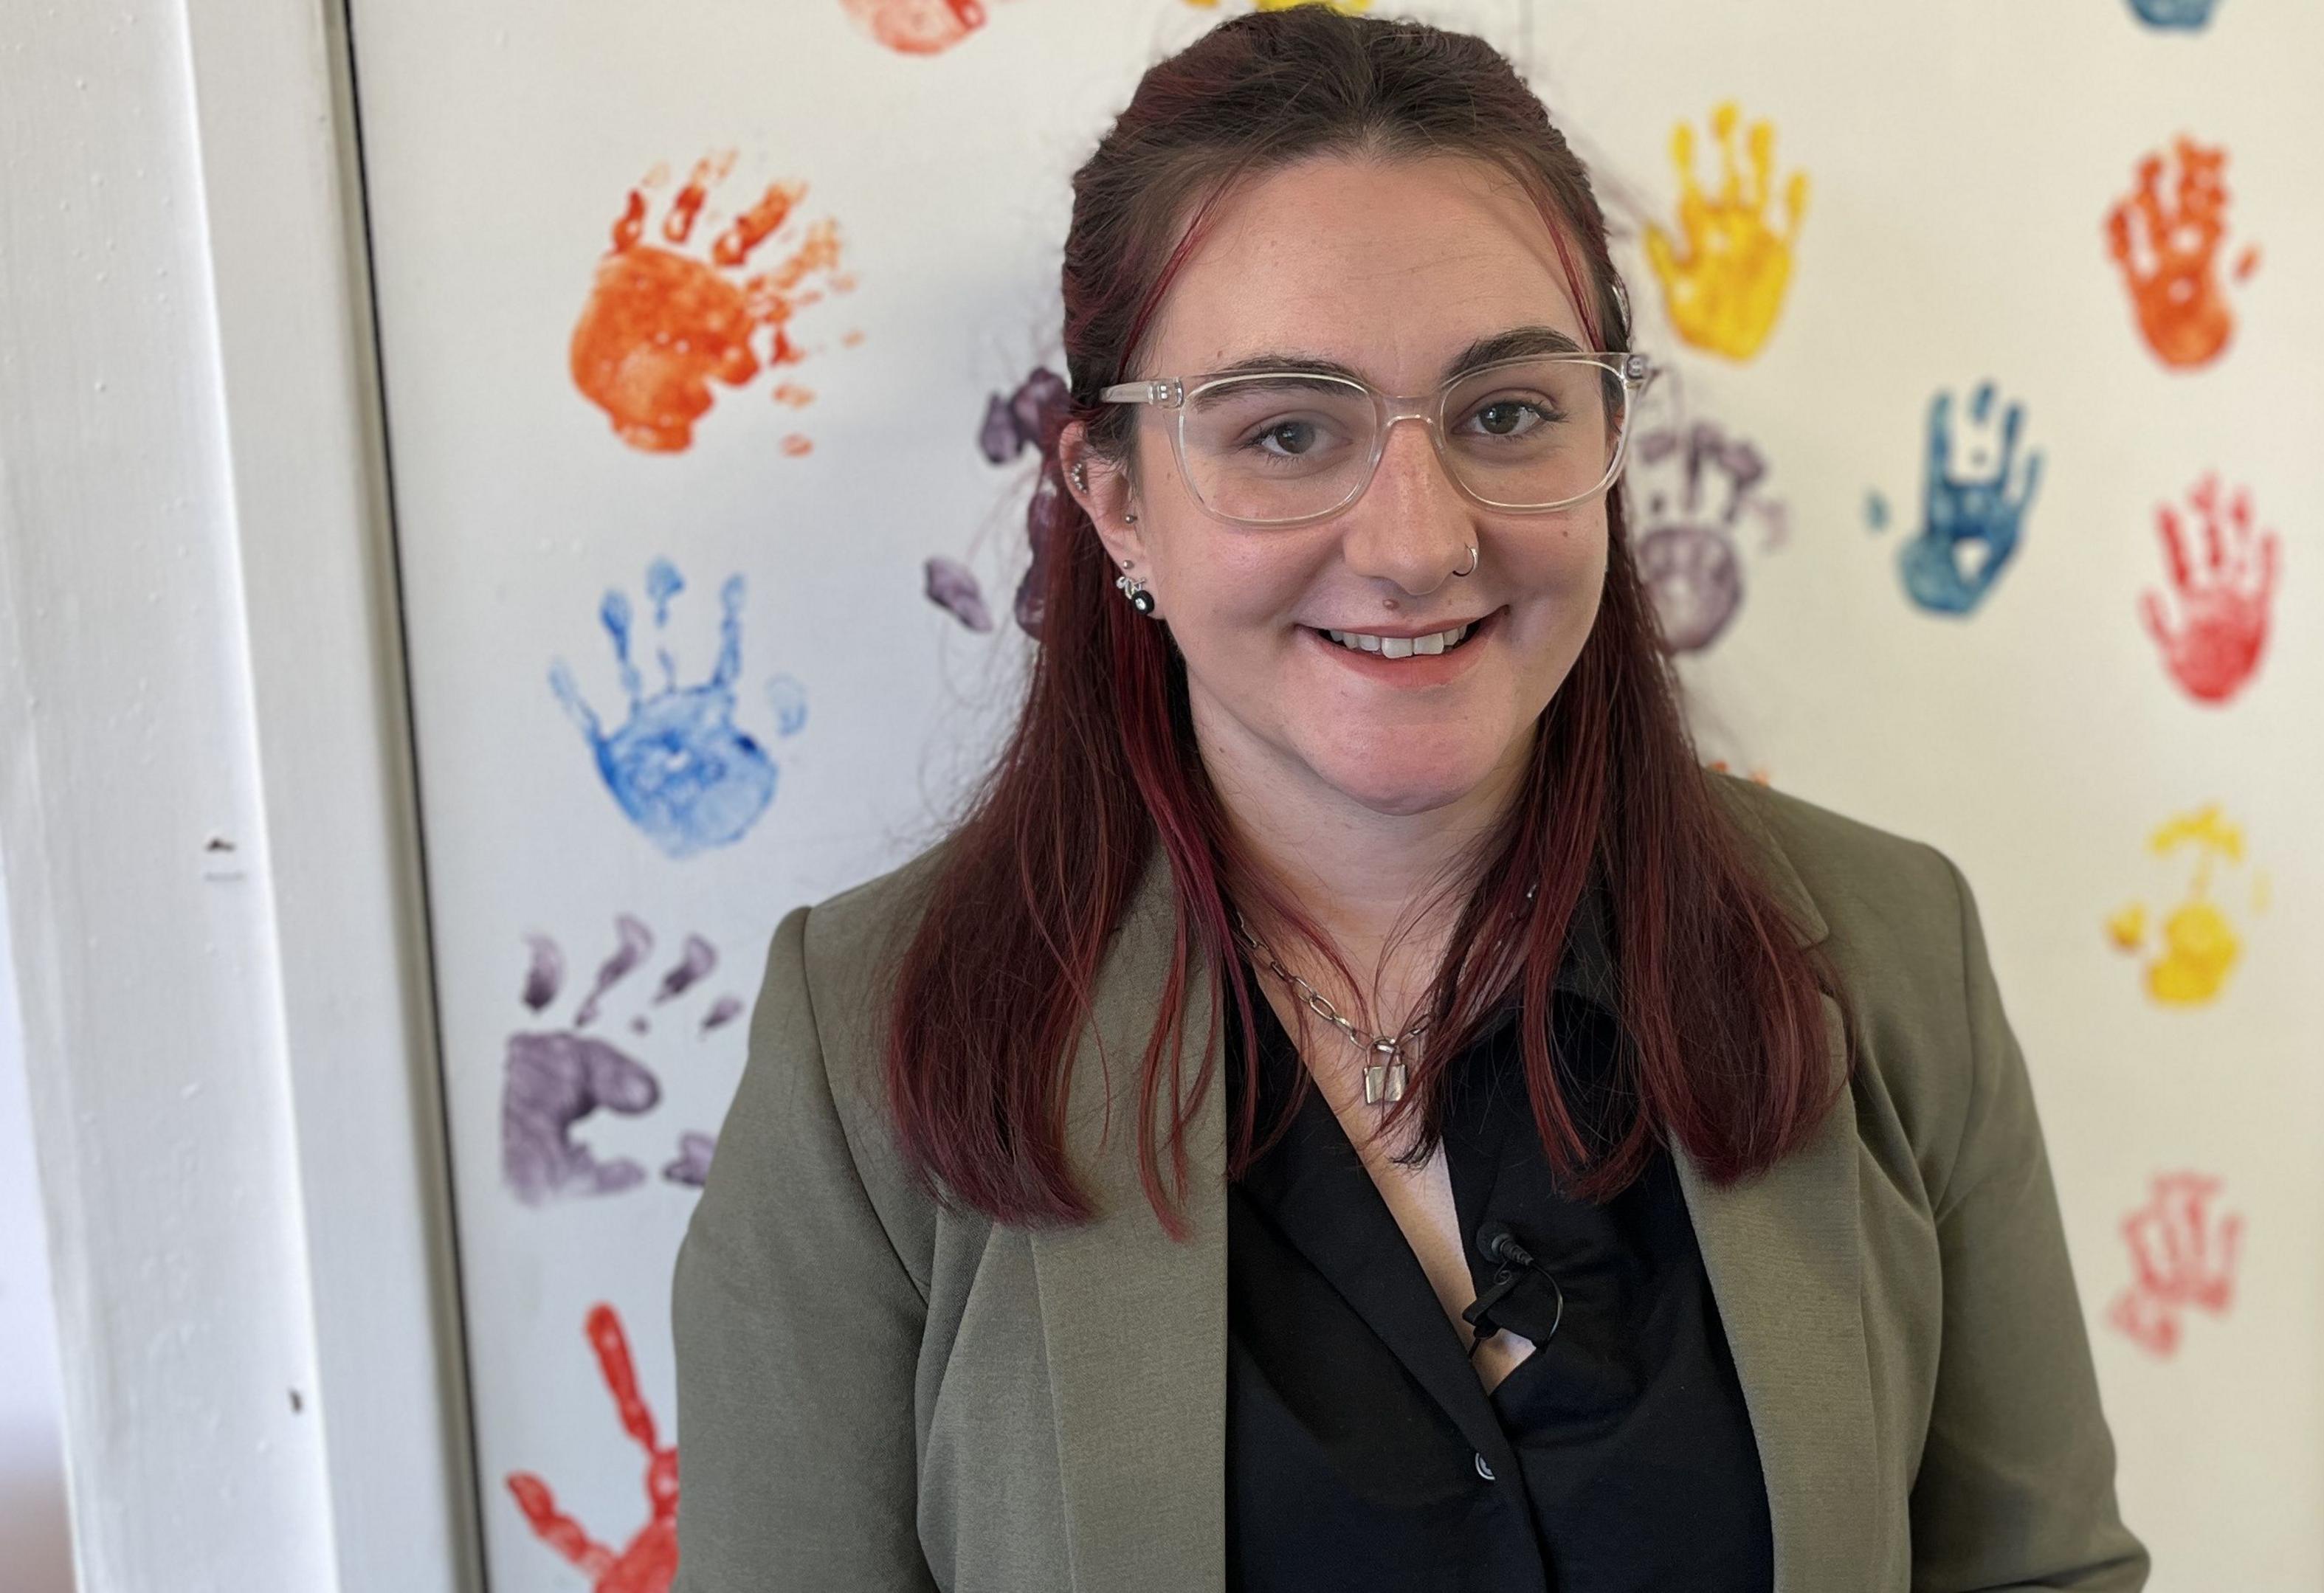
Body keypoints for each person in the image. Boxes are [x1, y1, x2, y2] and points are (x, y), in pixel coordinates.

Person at [670, 10, 2146, 1591]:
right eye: (1287, 432)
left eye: (1506, 413)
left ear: (1612, 444)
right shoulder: (871, 1050)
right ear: (1115, 505)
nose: (1417, 540)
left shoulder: (1890, 953)